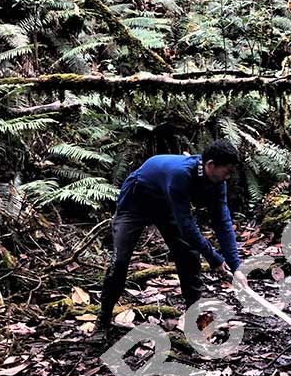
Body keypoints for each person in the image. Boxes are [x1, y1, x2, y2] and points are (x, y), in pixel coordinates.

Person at [97, 139, 245, 335]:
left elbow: (222, 222)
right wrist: (214, 257)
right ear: (211, 165)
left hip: (165, 205)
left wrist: (236, 267)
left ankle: (195, 321)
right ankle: (103, 319)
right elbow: (187, 227)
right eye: (227, 171)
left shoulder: (217, 183)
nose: (228, 176)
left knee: (189, 256)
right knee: (120, 261)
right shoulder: (181, 174)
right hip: (135, 203)